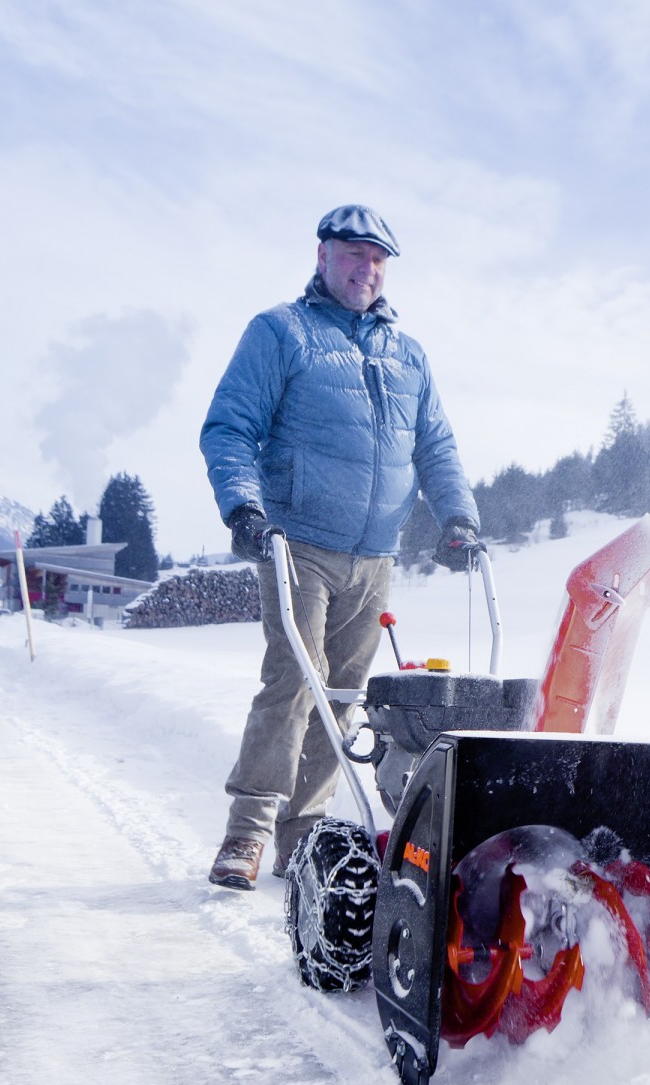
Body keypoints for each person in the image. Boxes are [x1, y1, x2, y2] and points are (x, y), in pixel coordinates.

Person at [200, 203, 481, 890]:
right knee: (294, 681)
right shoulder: (281, 332)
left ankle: (302, 836)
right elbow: (230, 426)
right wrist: (244, 505)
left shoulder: (408, 354)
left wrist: (458, 518)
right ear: (322, 256)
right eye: (354, 254)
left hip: (375, 555)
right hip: (297, 542)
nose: (367, 268)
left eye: (378, 259)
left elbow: (436, 445)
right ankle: (248, 833)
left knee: (344, 695)